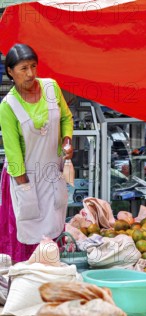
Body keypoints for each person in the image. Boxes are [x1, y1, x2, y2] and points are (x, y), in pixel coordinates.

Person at [0, 44, 74, 262]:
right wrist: (26, 191)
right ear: (10, 72)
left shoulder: (51, 88)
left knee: (52, 232)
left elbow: (65, 118)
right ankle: (25, 286)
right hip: (23, 178)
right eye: (23, 68)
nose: (30, 74)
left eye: (33, 66)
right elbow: (13, 156)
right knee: (27, 236)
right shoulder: (8, 106)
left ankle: (50, 286)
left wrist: (67, 141)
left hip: (51, 175)